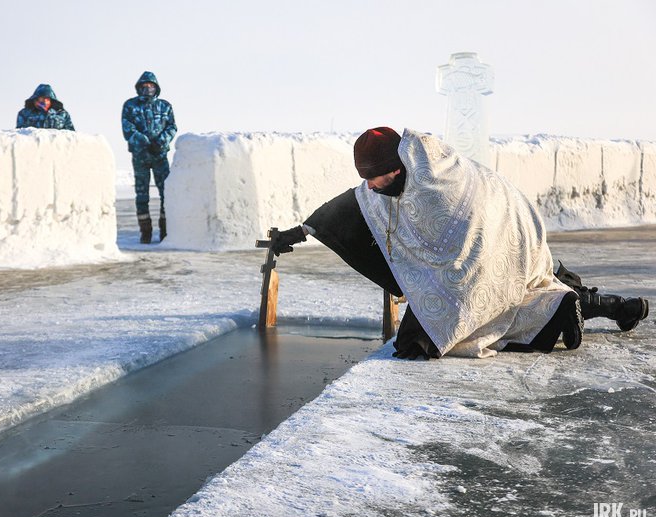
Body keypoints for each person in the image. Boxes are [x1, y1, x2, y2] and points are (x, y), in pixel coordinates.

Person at [272, 127, 648, 359]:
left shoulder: (434, 188)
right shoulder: (402, 172)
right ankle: (620, 307)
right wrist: (302, 231)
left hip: (498, 240)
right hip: (517, 230)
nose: (370, 188)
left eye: (375, 180)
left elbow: (461, 268)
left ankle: (564, 307)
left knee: (422, 341)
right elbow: (351, 204)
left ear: (396, 169)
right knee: (540, 282)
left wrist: (432, 319)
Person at [121, 71, 177, 244]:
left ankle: (165, 231)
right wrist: (145, 142)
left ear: (156, 87)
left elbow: (172, 127)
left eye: (151, 86)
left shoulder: (164, 106)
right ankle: (145, 232)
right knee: (141, 195)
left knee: (166, 193)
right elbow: (127, 128)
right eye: (144, 86)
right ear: (139, 88)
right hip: (140, 156)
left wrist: (160, 142)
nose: (147, 89)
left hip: (160, 155)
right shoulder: (130, 105)